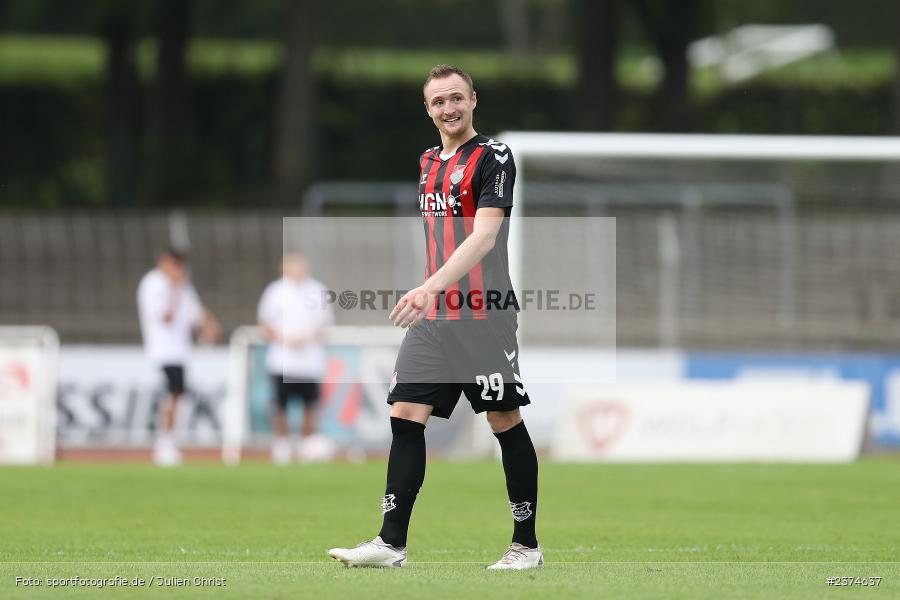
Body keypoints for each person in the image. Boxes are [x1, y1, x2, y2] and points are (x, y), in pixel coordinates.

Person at [329, 65, 541, 570]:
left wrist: (428, 287)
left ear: (473, 100)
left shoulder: (494, 156)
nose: (449, 108)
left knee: (503, 419)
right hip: (435, 316)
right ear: (427, 110)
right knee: (405, 413)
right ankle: (390, 544)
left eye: (456, 98)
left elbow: (484, 236)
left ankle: (525, 546)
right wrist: (432, 293)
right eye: (438, 102)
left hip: (483, 312)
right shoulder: (427, 161)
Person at [137, 249, 219, 466]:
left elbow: (196, 312)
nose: (177, 271)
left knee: (176, 396)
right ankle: (163, 443)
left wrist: (209, 325)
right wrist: (175, 290)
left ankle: (168, 440)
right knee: (168, 397)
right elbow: (165, 316)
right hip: (159, 351)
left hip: (179, 351)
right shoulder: (153, 284)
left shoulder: (184, 286)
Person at [257, 253, 334, 464]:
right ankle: (282, 444)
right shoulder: (274, 291)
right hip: (282, 361)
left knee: (310, 404)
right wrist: (284, 339)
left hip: (310, 361)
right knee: (280, 404)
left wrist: (307, 338)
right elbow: (265, 323)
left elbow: (325, 324)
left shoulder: (317, 290)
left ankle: (306, 444)